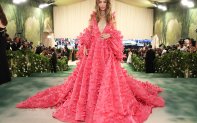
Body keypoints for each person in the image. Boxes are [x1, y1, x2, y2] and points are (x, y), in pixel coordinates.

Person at [16, 0, 164, 123]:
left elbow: (116, 35)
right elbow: (88, 34)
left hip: (106, 54)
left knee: (109, 81)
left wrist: (110, 36)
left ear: (107, 3)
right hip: (93, 53)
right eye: (100, 2)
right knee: (90, 81)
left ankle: (105, 106)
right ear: (97, 3)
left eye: (104, 2)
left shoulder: (111, 18)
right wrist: (85, 45)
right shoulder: (93, 17)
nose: (102, 5)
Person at [0, 4, 11, 84]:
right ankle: (5, 77)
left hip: (1, 38)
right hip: (2, 38)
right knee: (2, 57)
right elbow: (4, 26)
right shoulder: (3, 17)